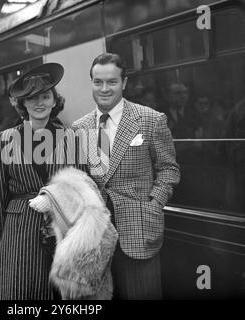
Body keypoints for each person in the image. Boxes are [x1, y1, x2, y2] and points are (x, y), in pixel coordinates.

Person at [72, 53, 180, 299]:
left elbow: (169, 169)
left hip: (139, 232)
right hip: (95, 240)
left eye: (112, 82)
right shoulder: (80, 128)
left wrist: (154, 204)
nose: (104, 88)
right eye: (98, 82)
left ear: (125, 83)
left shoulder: (150, 120)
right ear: (91, 83)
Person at [0, 62, 84, 300]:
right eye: (31, 98)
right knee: (21, 293)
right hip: (19, 229)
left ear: (54, 100)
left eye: (45, 96)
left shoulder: (72, 138)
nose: (39, 103)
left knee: (65, 295)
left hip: (63, 226)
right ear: (22, 103)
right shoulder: (2, 140)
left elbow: (80, 187)